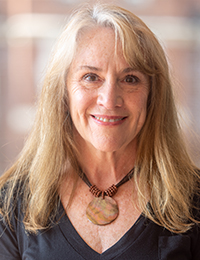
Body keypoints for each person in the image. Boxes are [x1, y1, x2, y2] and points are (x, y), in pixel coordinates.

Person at [0, 3, 200, 259]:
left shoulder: (193, 200)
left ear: (153, 95)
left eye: (130, 79)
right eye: (91, 77)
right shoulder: (11, 202)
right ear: (62, 92)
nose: (109, 99)